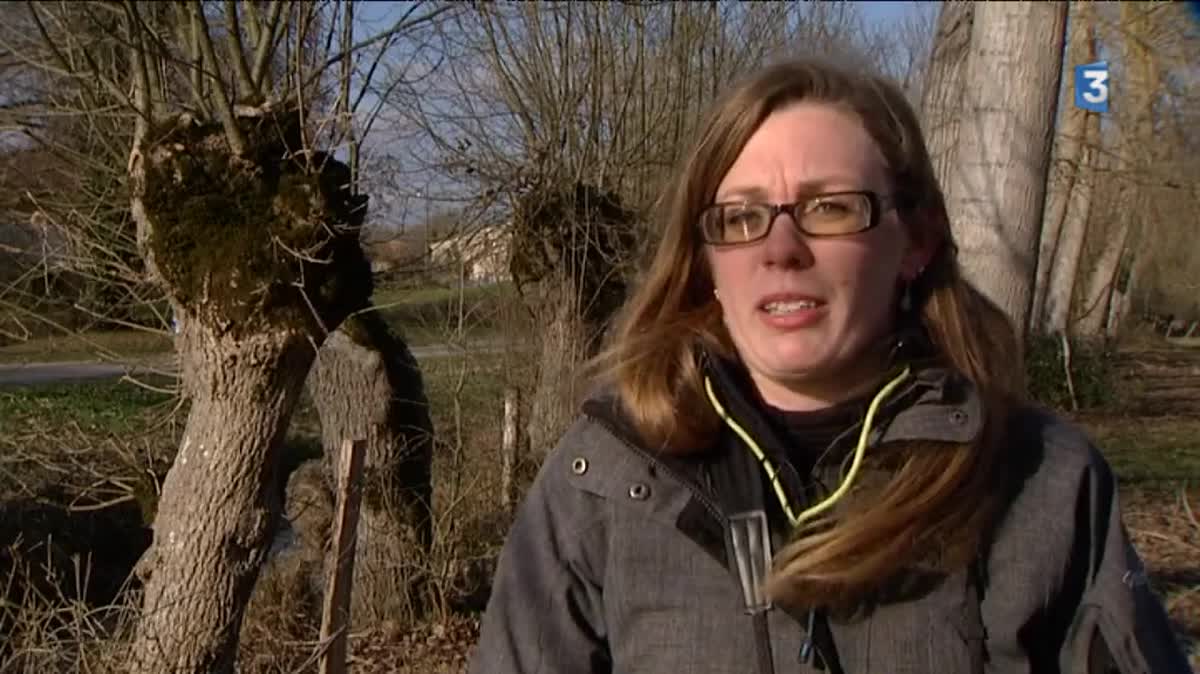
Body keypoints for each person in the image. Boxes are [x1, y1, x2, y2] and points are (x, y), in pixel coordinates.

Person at [467, 59, 1192, 674]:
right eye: (742, 217)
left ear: (915, 242)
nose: (780, 248)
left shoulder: (1040, 484)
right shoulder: (603, 482)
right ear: (707, 263)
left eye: (830, 209)